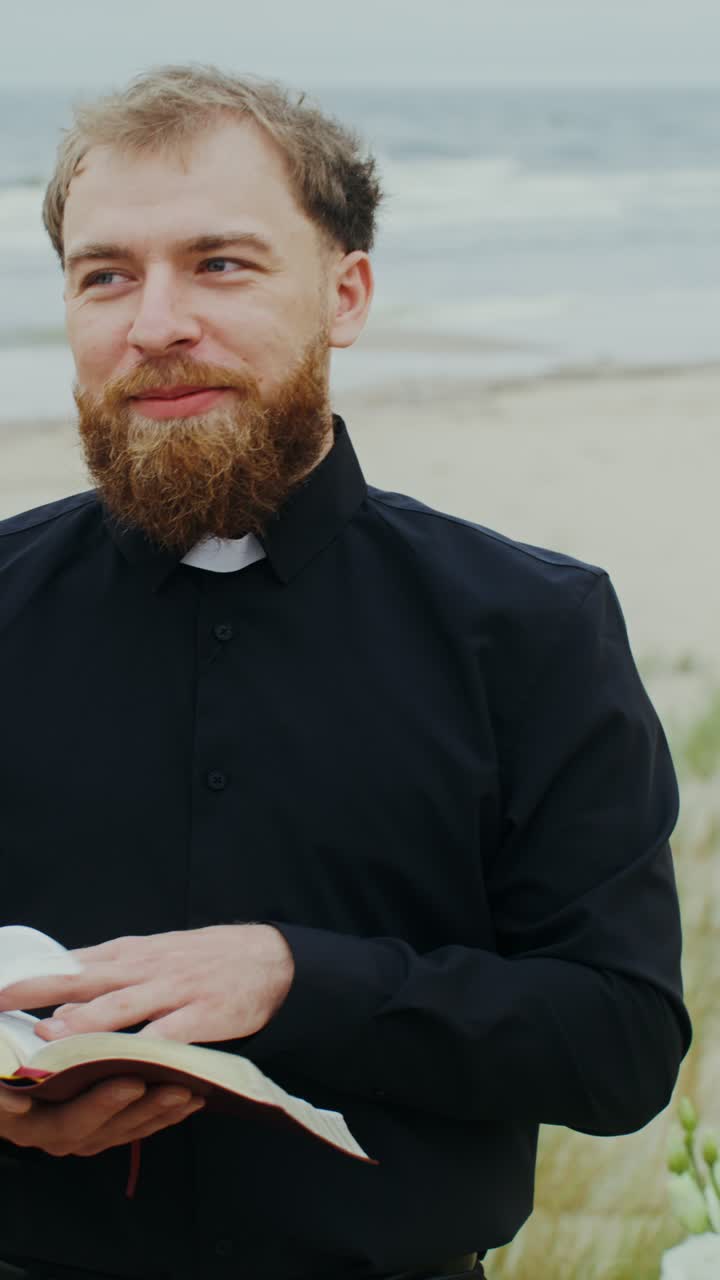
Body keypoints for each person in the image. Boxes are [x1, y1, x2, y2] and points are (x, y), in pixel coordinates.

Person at [0, 64, 691, 1280]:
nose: (154, 321)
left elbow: (620, 1042)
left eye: (220, 262)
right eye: (106, 273)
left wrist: (298, 977)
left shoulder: (533, 625)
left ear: (346, 293)